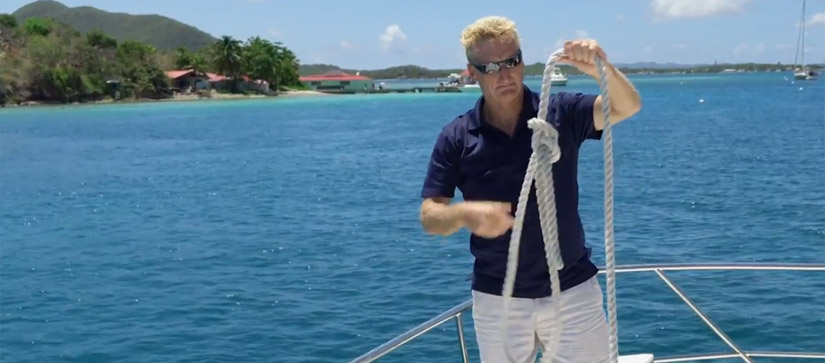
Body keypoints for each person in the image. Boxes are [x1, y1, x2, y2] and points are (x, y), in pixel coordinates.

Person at [418, 16, 641, 363]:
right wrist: (464, 214)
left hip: (573, 288)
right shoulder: (457, 137)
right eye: (491, 66)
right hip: (498, 300)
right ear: (472, 72)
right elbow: (430, 216)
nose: (505, 74)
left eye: (512, 61)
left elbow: (627, 106)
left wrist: (602, 68)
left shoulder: (560, 113)